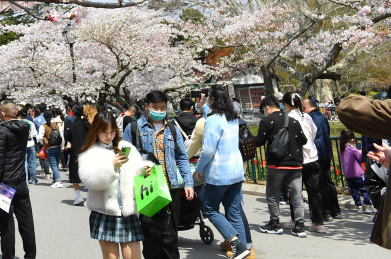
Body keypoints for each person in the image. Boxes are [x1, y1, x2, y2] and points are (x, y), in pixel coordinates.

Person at [122, 91, 194, 259]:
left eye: (163, 107)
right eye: (155, 107)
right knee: (151, 238)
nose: (159, 111)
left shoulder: (172, 129)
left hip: (171, 189)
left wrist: (188, 183)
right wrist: (139, 168)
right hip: (148, 189)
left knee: (170, 238)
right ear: (146, 107)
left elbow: (182, 157)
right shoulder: (133, 128)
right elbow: (124, 158)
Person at [79, 111, 149, 259]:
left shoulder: (125, 146)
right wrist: (112, 167)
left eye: (112, 131)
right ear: (96, 131)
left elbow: (136, 171)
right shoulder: (90, 152)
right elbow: (89, 180)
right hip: (105, 212)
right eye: (104, 132)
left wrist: (145, 170)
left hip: (128, 211)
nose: (109, 135)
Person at [193, 87, 251, 259]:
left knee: (209, 209)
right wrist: (203, 105)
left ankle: (236, 244)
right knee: (233, 211)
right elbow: (210, 116)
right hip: (236, 172)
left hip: (219, 173)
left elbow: (208, 150)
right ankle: (245, 250)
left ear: (212, 100)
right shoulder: (233, 118)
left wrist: (198, 169)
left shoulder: (213, 120)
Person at [254, 94, 307, 237]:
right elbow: (304, 140)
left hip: (276, 164)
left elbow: (259, 141)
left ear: (267, 107)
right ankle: (300, 225)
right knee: (297, 195)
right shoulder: (294, 121)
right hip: (295, 164)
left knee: (273, 194)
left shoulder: (266, 121)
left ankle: (275, 223)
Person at [0, 100, 36, 259]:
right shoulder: (24, 128)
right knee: (26, 223)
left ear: (2, 113)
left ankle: (8, 256)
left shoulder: (0, 131)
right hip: (20, 181)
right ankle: (30, 255)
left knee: (6, 227)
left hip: (4, 184)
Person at [285, 92, 325, 233]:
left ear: (286, 104)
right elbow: (313, 134)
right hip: (313, 157)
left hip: (297, 159)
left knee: (295, 191)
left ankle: (295, 219)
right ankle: (318, 223)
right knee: (314, 192)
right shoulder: (306, 116)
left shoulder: (288, 118)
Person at [305, 97, 341, 220]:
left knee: (320, 183)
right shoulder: (322, 117)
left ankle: (325, 211)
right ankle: (335, 210)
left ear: (305, 107)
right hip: (326, 151)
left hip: (317, 153)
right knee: (328, 181)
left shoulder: (310, 118)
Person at [339, 130, 375, 214]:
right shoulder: (353, 150)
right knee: (364, 190)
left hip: (348, 175)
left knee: (354, 191)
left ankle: (359, 206)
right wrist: (360, 151)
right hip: (357, 174)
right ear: (352, 140)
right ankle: (367, 205)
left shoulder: (342, 150)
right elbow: (361, 159)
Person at [65, 104, 90, 206]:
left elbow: (69, 138)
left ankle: (78, 196)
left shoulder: (72, 125)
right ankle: (89, 197)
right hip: (88, 152)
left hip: (76, 152)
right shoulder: (88, 124)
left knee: (75, 174)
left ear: (73, 113)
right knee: (89, 175)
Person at [43, 109, 63, 187]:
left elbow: (40, 138)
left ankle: (58, 181)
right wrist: (62, 145)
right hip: (58, 146)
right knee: (56, 164)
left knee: (53, 165)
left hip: (49, 147)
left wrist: (44, 143)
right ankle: (55, 180)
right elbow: (61, 136)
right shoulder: (57, 124)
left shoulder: (43, 126)